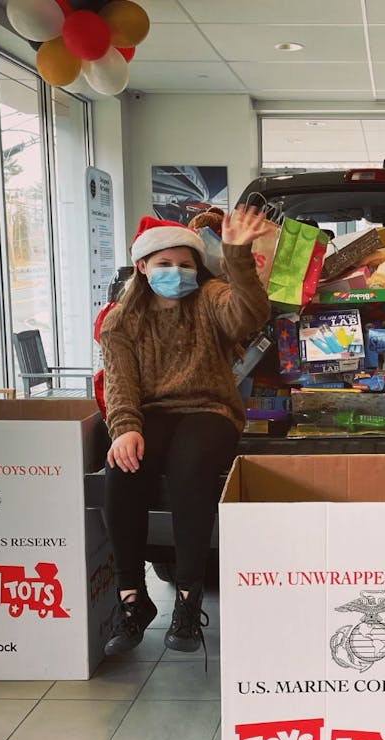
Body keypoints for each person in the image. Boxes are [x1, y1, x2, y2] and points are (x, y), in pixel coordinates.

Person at [100, 207, 273, 656]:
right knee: (121, 468)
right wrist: (124, 429)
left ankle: (187, 599)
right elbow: (120, 384)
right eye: (164, 263)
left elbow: (250, 314)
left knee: (190, 466)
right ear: (142, 267)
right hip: (151, 414)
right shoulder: (120, 320)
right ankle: (132, 599)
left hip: (210, 410)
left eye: (185, 264)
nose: (176, 272)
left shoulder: (211, 298)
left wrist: (237, 255)